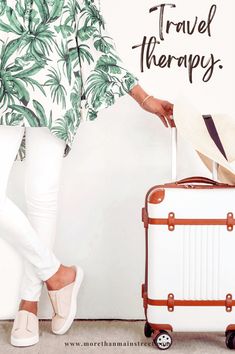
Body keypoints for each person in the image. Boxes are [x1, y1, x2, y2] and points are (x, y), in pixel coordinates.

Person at [0, 0, 174, 347]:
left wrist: (143, 98)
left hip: (53, 90)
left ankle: (29, 304)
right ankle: (57, 274)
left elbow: (96, 42)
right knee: (37, 197)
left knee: (41, 195)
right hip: (5, 88)